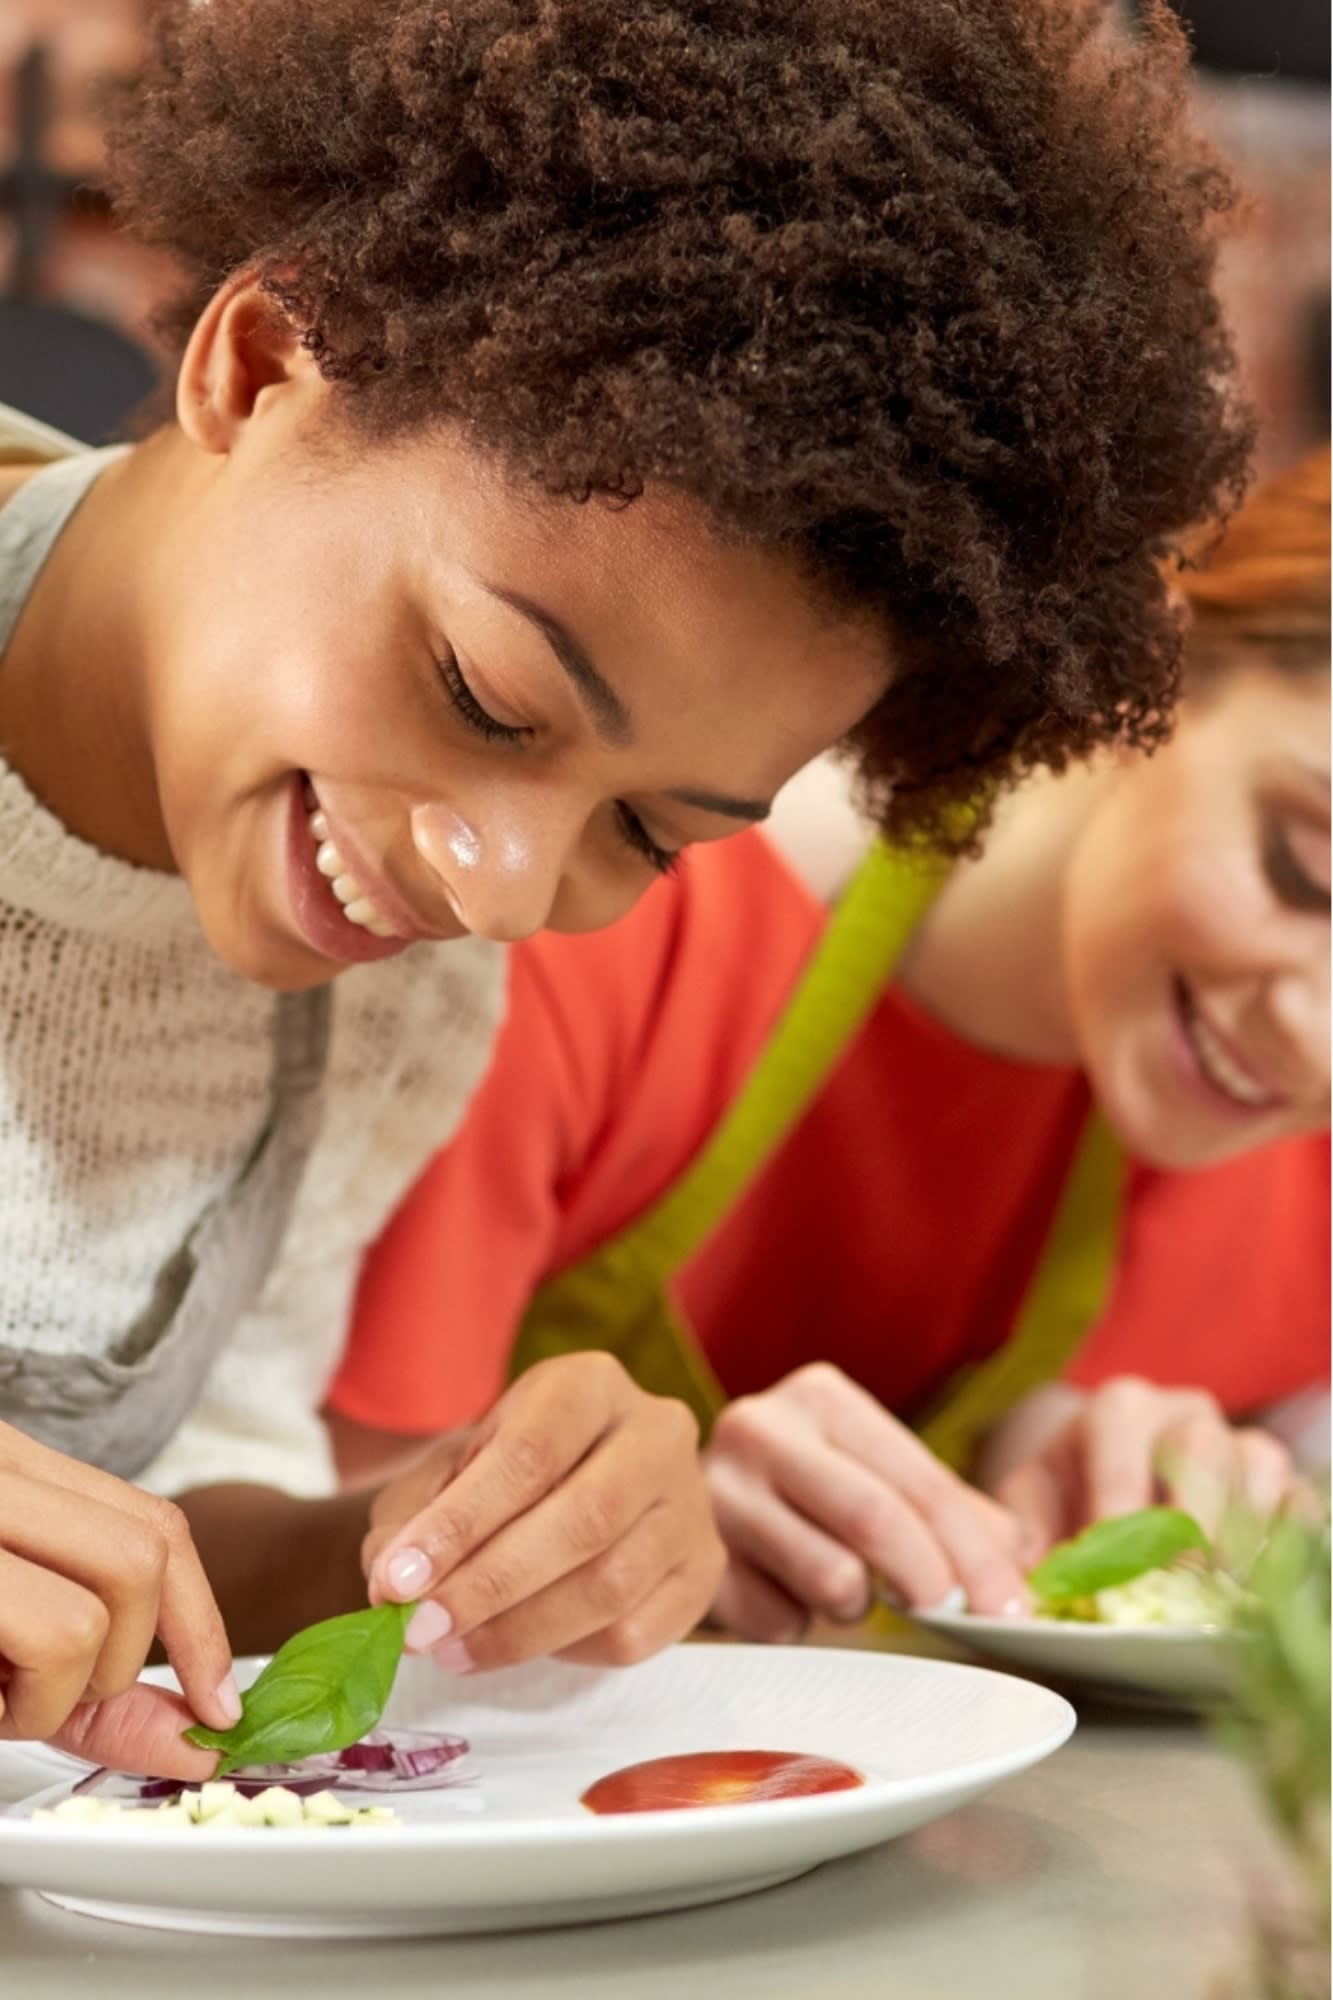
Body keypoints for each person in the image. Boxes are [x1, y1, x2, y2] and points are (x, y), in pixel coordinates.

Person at [0, 0, 1250, 1766]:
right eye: (482, 697)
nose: (501, 888)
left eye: (649, 832)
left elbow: (186, 1544)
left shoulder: (402, 984)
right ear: (265, 359)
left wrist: (418, 1546)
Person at [331, 449, 1329, 1643]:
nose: (1313, 1038)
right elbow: (321, 1553)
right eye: (1302, 869)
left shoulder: (1282, 1185)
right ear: (1156, 666)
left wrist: (1075, 1487)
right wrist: (630, 1552)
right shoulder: (614, 913)